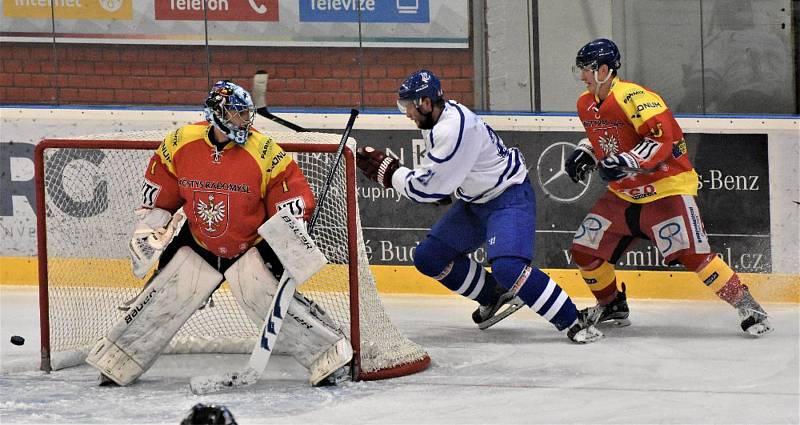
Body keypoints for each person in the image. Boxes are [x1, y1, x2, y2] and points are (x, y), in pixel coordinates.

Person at [85, 80, 353, 387]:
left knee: (272, 303)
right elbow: (162, 197)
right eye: (236, 114)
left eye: (245, 114)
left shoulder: (265, 151)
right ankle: (118, 361)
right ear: (215, 113)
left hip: (249, 248)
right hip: (200, 244)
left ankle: (331, 357)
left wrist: (293, 229)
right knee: (163, 300)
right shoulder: (179, 142)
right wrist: (148, 231)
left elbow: (291, 200)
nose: (244, 121)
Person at [356, 69, 602, 343]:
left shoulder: (452, 128)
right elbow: (444, 178)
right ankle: (493, 295)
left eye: (408, 106)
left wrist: (391, 173)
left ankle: (573, 320)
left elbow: (427, 190)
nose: (406, 113)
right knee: (429, 257)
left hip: (508, 198)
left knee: (508, 268)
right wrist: (437, 185)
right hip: (475, 202)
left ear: (425, 103)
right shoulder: (437, 123)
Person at [564, 38, 772, 336]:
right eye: (580, 69)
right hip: (624, 194)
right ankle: (611, 304)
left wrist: (625, 160)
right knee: (584, 250)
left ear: (605, 70)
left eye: (587, 69)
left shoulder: (635, 97)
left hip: (665, 189)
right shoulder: (585, 104)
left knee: (694, 255)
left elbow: (662, 141)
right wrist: (585, 152)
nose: (582, 76)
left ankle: (748, 305)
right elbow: (606, 138)